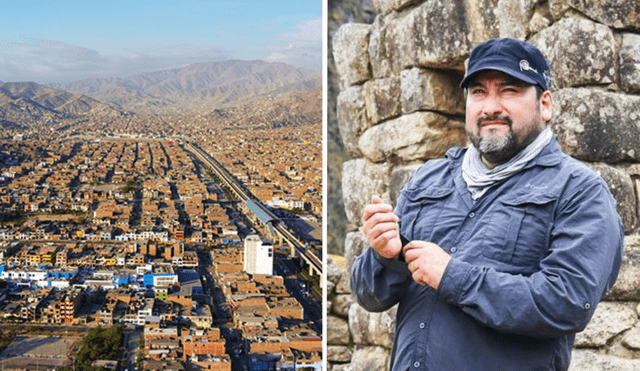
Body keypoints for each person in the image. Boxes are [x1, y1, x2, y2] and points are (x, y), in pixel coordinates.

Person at [351, 38, 624, 371]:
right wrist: (386, 255)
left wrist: (453, 276)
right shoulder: (429, 179)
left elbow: (566, 302)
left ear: (545, 104)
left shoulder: (579, 191)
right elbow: (369, 295)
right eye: (479, 92)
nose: (490, 107)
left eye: (509, 90)